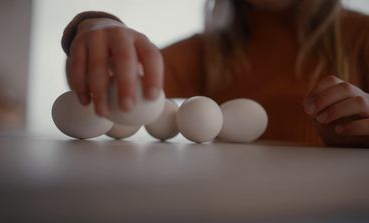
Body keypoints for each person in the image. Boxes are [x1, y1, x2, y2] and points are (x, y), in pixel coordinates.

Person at [61, 0, 369, 147]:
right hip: (226, 206)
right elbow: (114, 85)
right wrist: (95, 25)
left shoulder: (360, 37)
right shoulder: (211, 51)